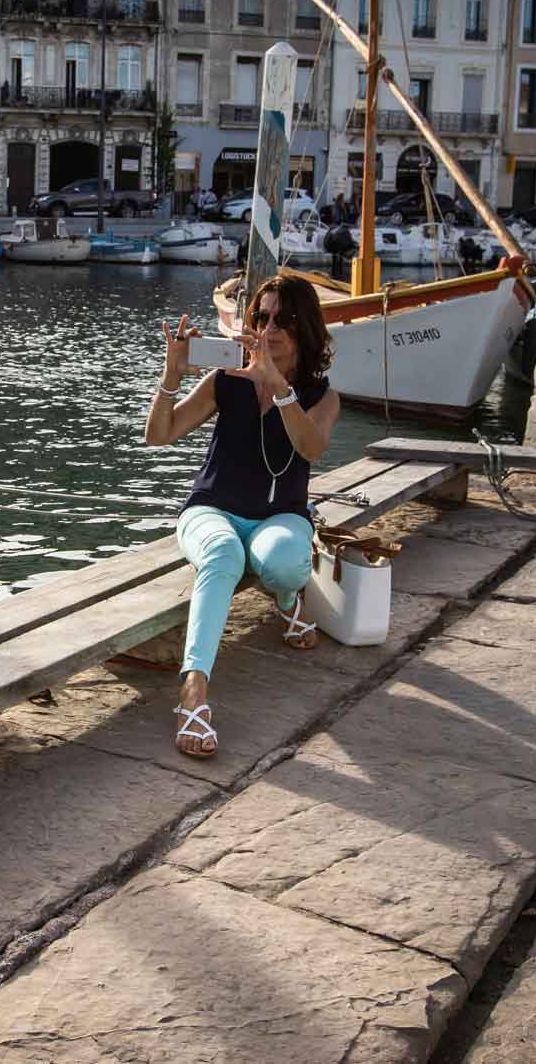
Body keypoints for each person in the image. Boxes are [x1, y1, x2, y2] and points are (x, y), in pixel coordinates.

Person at [144, 274, 341, 757]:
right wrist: (172, 373)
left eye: (283, 319)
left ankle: (288, 596)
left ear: (306, 330)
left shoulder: (322, 396)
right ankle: (193, 693)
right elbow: (160, 435)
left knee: (281, 563)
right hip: (211, 510)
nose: (269, 327)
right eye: (261, 316)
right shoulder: (225, 382)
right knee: (224, 553)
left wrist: (278, 388)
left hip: (283, 515)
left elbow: (310, 447)